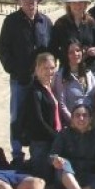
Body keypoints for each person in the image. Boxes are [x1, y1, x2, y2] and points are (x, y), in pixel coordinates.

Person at [0, 0, 53, 164]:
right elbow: (2, 49)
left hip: (42, 79)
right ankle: (17, 154)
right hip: (20, 78)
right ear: (19, 0)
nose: (29, 0)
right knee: (17, 116)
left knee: (43, 113)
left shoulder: (45, 21)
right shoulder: (11, 21)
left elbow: (52, 48)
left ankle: (42, 149)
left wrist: (50, 70)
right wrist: (14, 69)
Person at [17, 52, 62, 181]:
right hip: (41, 143)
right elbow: (37, 121)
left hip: (52, 140)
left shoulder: (48, 87)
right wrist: (57, 136)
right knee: (43, 180)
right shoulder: (34, 91)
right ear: (37, 69)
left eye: (52, 68)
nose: (49, 72)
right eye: (45, 68)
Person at [49, 0, 95, 68]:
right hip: (67, 71)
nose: (77, 5)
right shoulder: (60, 23)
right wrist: (68, 55)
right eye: (74, 2)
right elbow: (53, 48)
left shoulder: (91, 22)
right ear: (69, 4)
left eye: (80, 2)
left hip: (89, 70)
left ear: (85, 4)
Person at [53, 38, 95, 126]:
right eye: (71, 52)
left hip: (90, 123)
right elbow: (62, 104)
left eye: (78, 50)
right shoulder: (61, 76)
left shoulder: (89, 73)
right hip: (72, 124)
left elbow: (94, 98)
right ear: (66, 55)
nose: (75, 54)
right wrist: (75, 122)